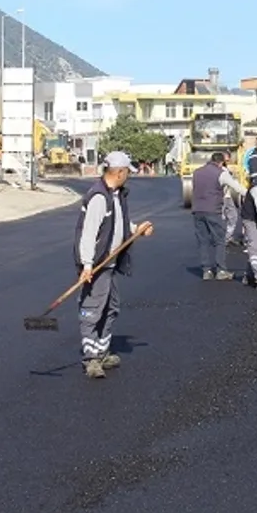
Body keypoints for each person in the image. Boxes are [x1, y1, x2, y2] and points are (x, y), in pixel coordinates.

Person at [73, 151, 154, 379]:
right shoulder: (99, 198)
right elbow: (88, 234)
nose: (128, 176)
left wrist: (137, 229)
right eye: (127, 172)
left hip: (109, 265)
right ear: (119, 172)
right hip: (97, 266)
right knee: (92, 310)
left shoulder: (115, 195)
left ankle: (101, 352)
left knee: (111, 308)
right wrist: (87, 265)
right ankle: (91, 359)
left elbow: (119, 224)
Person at [192, 151, 246, 280]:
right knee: (219, 241)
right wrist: (252, 195)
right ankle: (221, 270)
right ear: (221, 162)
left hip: (197, 210)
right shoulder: (221, 173)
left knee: (203, 241)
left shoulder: (197, 172)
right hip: (213, 210)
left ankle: (206, 271)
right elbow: (237, 188)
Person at [221, 150, 242, 248]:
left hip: (228, 197)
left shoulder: (226, 169)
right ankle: (223, 238)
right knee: (222, 218)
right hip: (221, 197)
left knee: (233, 217)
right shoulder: (221, 170)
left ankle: (227, 237)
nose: (227, 161)